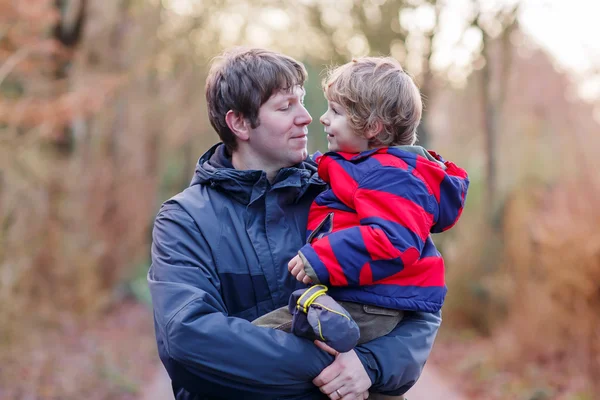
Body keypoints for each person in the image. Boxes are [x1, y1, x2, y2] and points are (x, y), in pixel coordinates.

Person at [148, 47, 442, 400]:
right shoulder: (185, 220)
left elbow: (420, 303)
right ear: (240, 123)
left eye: (301, 102)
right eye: (285, 107)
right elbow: (188, 339)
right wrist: (331, 368)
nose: (306, 117)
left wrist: (369, 366)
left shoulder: (349, 190)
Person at [253, 57, 469, 354]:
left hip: (369, 303)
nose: (323, 118)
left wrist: (321, 258)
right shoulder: (369, 167)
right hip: (363, 297)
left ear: (372, 127)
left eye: (336, 112)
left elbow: (393, 241)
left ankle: (342, 342)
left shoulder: (393, 177)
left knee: (256, 339)